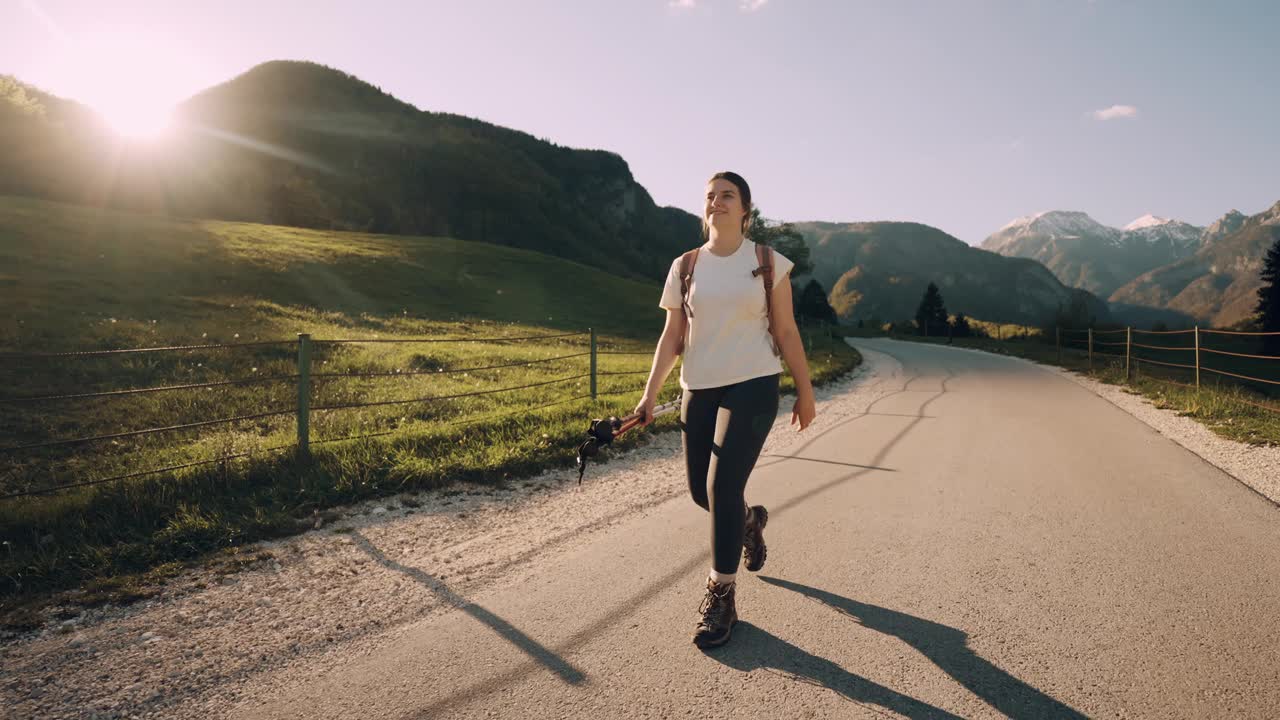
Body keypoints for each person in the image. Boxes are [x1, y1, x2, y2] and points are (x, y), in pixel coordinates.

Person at [633, 171, 817, 649]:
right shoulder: (686, 265)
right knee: (702, 493)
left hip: (754, 383)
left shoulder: (767, 261)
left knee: (722, 485)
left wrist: (805, 390)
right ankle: (750, 522)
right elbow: (672, 335)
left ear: (745, 211)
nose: (716, 201)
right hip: (699, 385)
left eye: (727, 195)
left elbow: (787, 331)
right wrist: (650, 395)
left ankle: (722, 595)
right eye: (710, 196)